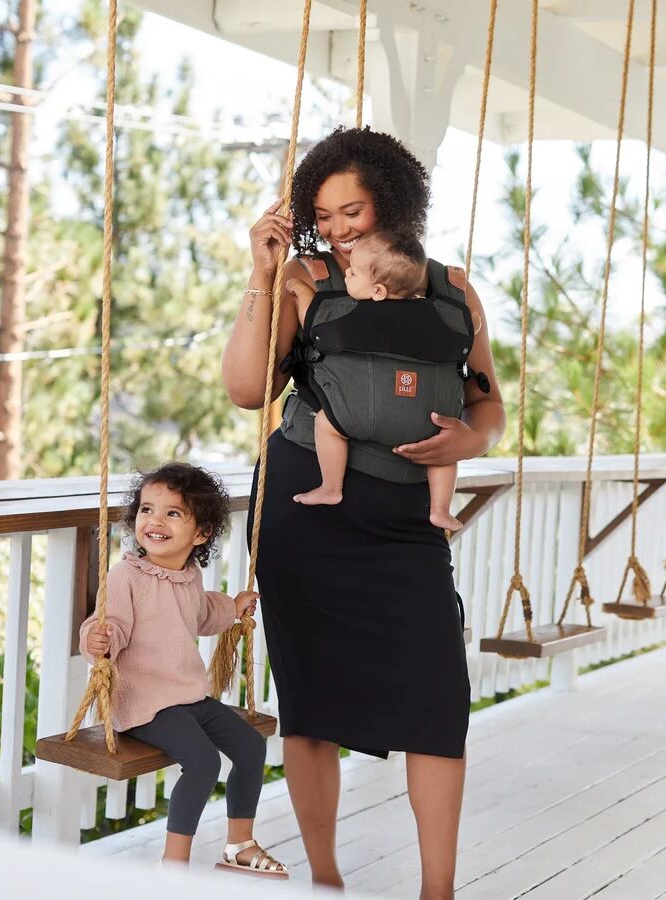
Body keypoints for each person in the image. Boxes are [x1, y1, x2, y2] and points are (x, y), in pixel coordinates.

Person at [223, 127, 505, 900]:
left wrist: (471, 439)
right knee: (311, 704)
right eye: (325, 215)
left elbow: (487, 404)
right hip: (305, 510)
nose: (340, 228)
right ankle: (325, 880)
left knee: (438, 700)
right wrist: (261, 271)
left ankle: (438, 891)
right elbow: (247, 389)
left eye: (353, 210)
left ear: (394, 199)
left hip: (408, 522)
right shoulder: (303, 278)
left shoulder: (452, 289)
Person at [79, 462, 287, 877]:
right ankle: (173, 865)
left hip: (188, 696)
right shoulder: (126, 577)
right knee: (204, 762)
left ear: (201, 533)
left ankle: (239, 845)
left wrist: (233, 606)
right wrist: (97, 640)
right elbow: (109, 624)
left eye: (172, 513)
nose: (155, 521)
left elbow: (201, 614)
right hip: (146, 702)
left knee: (251, 746)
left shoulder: (189, 575)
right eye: (147, 510)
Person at [286, 229, 483, 531]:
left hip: (356, 416)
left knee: (326, 424)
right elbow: (472, 326)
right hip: (429, 421)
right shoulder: (441, 316)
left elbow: (312, 318)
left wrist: (300, 290)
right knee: (443, 455)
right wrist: (473, 322)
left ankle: (330, 487)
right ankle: (440, 509)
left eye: (353, 273)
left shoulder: (350, 313)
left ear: (378, 292)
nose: (347, 273)